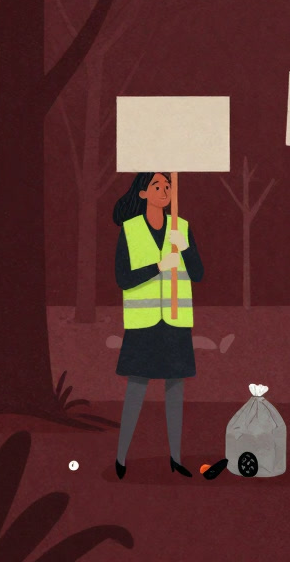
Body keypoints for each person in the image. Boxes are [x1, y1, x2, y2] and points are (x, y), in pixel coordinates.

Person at [112, 172, 204, 480]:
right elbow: (123, 278)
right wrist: (158, 267)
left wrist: (185, 247)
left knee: (175, 390)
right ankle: (121, 456)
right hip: (144, 323)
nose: (165, 190)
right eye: (157, 186)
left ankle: (176, 459)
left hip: (176, 321)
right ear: (142, 193)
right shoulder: (130, 230)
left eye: (168, 186)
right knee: (136, 389)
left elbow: (199, 274)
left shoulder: (183, 228)